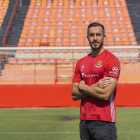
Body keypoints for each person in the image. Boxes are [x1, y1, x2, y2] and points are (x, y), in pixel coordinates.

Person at [71, 22, 120, 140]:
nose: (95, 38)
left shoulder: (111, 60)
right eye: (91, 35)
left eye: (98, 35)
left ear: (104, 36)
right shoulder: (80, 62)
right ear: (87, 36)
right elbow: (74, 95)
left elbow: (105, 94)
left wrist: (84, 87)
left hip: (104, 121)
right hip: (84, 121)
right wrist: (95, 85)